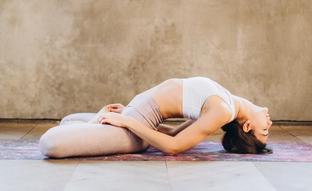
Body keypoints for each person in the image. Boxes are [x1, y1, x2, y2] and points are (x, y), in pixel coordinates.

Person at [38, 76, 273, 158]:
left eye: (265, 131)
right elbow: (172, 132)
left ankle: (102, 128)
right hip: (138, 114)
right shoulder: (227, 103)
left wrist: (128, 122)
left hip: (138, 125)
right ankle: (99, 126)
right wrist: (127, 114)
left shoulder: (222, 111)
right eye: (267, 131)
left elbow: (172, 146)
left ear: (248, 126)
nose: (269, 124)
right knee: (70, 119)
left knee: (51, 144)